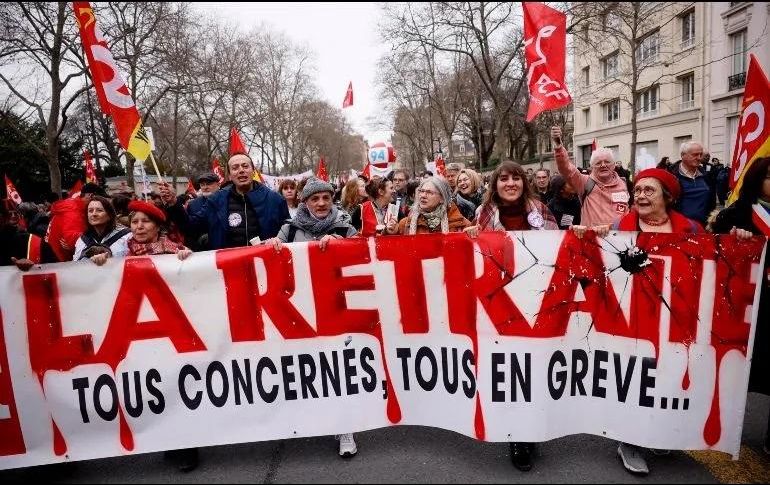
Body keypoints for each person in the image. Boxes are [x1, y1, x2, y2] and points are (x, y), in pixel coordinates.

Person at [265, 178, 359, 457]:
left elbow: (364, 255)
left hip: (338, 308)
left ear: (332, 200)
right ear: (304, 202)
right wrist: (271, 246)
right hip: (301, 312)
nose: (320, 203)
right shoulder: (288, 229)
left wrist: (342, 244)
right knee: (308, 368)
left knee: (340, 369)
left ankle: (345, 429)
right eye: (314, 199)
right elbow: (271, 258)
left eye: (325, 198)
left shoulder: (345, 227)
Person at [710, 156, 770, 453]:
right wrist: (736, 238)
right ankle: (716, 425)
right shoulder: (741, 212)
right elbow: (715, 243)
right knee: (735, 365)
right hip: (747, 303)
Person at [159, 153, 289, 249]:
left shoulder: (274, 199)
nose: (241, 170)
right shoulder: (216, 200)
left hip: (265, 267)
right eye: (235, 168)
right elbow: (191, 227)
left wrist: (278, 240)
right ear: (229, 175)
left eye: (245, 166)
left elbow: (288, 232)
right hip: (227, 270)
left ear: (253, 171)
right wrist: (173, 203)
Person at [552, 125, 630, 230]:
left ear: (613, 165)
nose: (603, 165)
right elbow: (566, 168)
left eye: (607, 162)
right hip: (591, 242)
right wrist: (558, 147)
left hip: (619, 241)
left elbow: (627, 214)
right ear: (592, 167)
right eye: (598, 163)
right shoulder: (585, 182)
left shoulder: (623, 183)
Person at [387, 176, 471, 235]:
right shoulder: (404, 224)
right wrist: (391, 232)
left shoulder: (461, 224)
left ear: (442, 198)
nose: (423, 195)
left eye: (429, 192)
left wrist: (471, 235)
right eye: (421, 191)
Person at [666, 141, 716, 226]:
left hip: (703, 227)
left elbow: (711, 200)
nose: (699, 158)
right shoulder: (670, 175)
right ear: (682, 155)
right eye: (695, 155)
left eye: (700, 154)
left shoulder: (705, 175)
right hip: (679, 227)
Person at [72, 196, 131, 263]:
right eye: (90, 211)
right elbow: (76, 265)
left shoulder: (126, 237)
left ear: (109, 215)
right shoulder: (82, 241)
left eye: (99, 210)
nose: (94, 214)